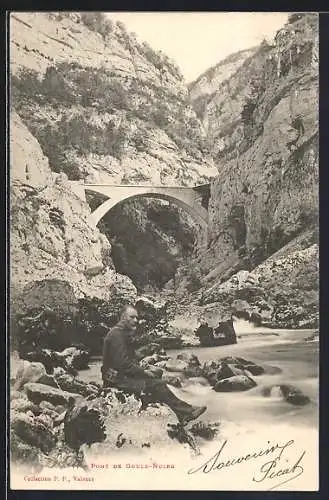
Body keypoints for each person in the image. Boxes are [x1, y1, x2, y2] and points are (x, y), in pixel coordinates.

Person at [101, 305, 207, 425]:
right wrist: (143, 372)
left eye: (137, 317)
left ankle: (180, 414)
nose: (136, 320)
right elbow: (123, 363)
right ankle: (187, 413)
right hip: (118, 382)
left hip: (120, 377)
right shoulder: (116, 335)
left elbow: (127, 360)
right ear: (123, 318)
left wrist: (142, 367)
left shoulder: (119, 334)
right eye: (132, 317)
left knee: (154, 378)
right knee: (158, 384)